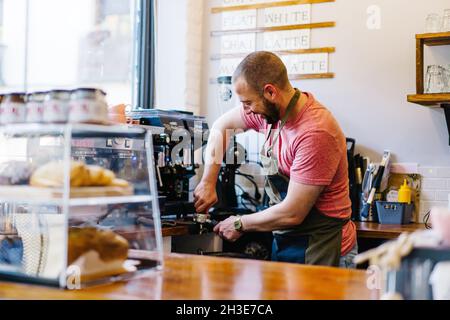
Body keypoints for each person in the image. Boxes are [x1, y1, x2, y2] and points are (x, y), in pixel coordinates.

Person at [194, 51, 357, 268]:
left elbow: (293, 213)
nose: (246, 110)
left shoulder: (315, 132)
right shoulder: (269, 113)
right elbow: (220, 128)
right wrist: (207, 182)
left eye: (248, 102)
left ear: (270, 92)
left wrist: (240, 223)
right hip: (286, 241)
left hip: (324, 247)